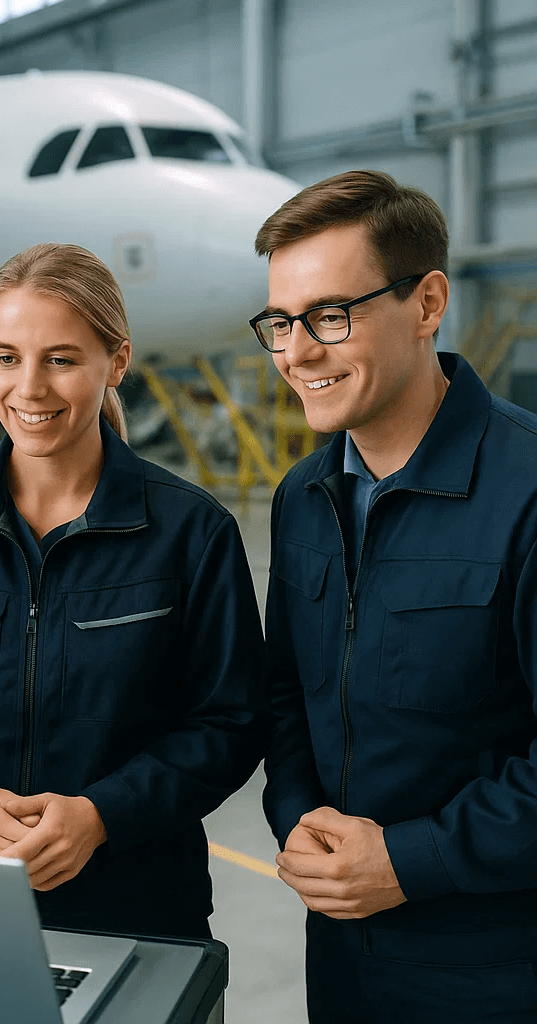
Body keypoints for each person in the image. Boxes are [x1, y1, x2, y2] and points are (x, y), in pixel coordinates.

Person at [0, 242, 266, 939]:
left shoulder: (192, 532)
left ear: (118, 361)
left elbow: (230, 722)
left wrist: (102, 815)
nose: (30, 388)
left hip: (140, 908)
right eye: (6, 356)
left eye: (62, 359)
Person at [254, 170, 537, 1022]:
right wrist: (299, 820)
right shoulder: (304, 496)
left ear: (427, 303)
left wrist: (408, 862)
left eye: (331, 316)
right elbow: (285, 701)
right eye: (280, 322)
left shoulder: (526, 492)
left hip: (496, 968)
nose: (298, 353)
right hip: (342, 954)